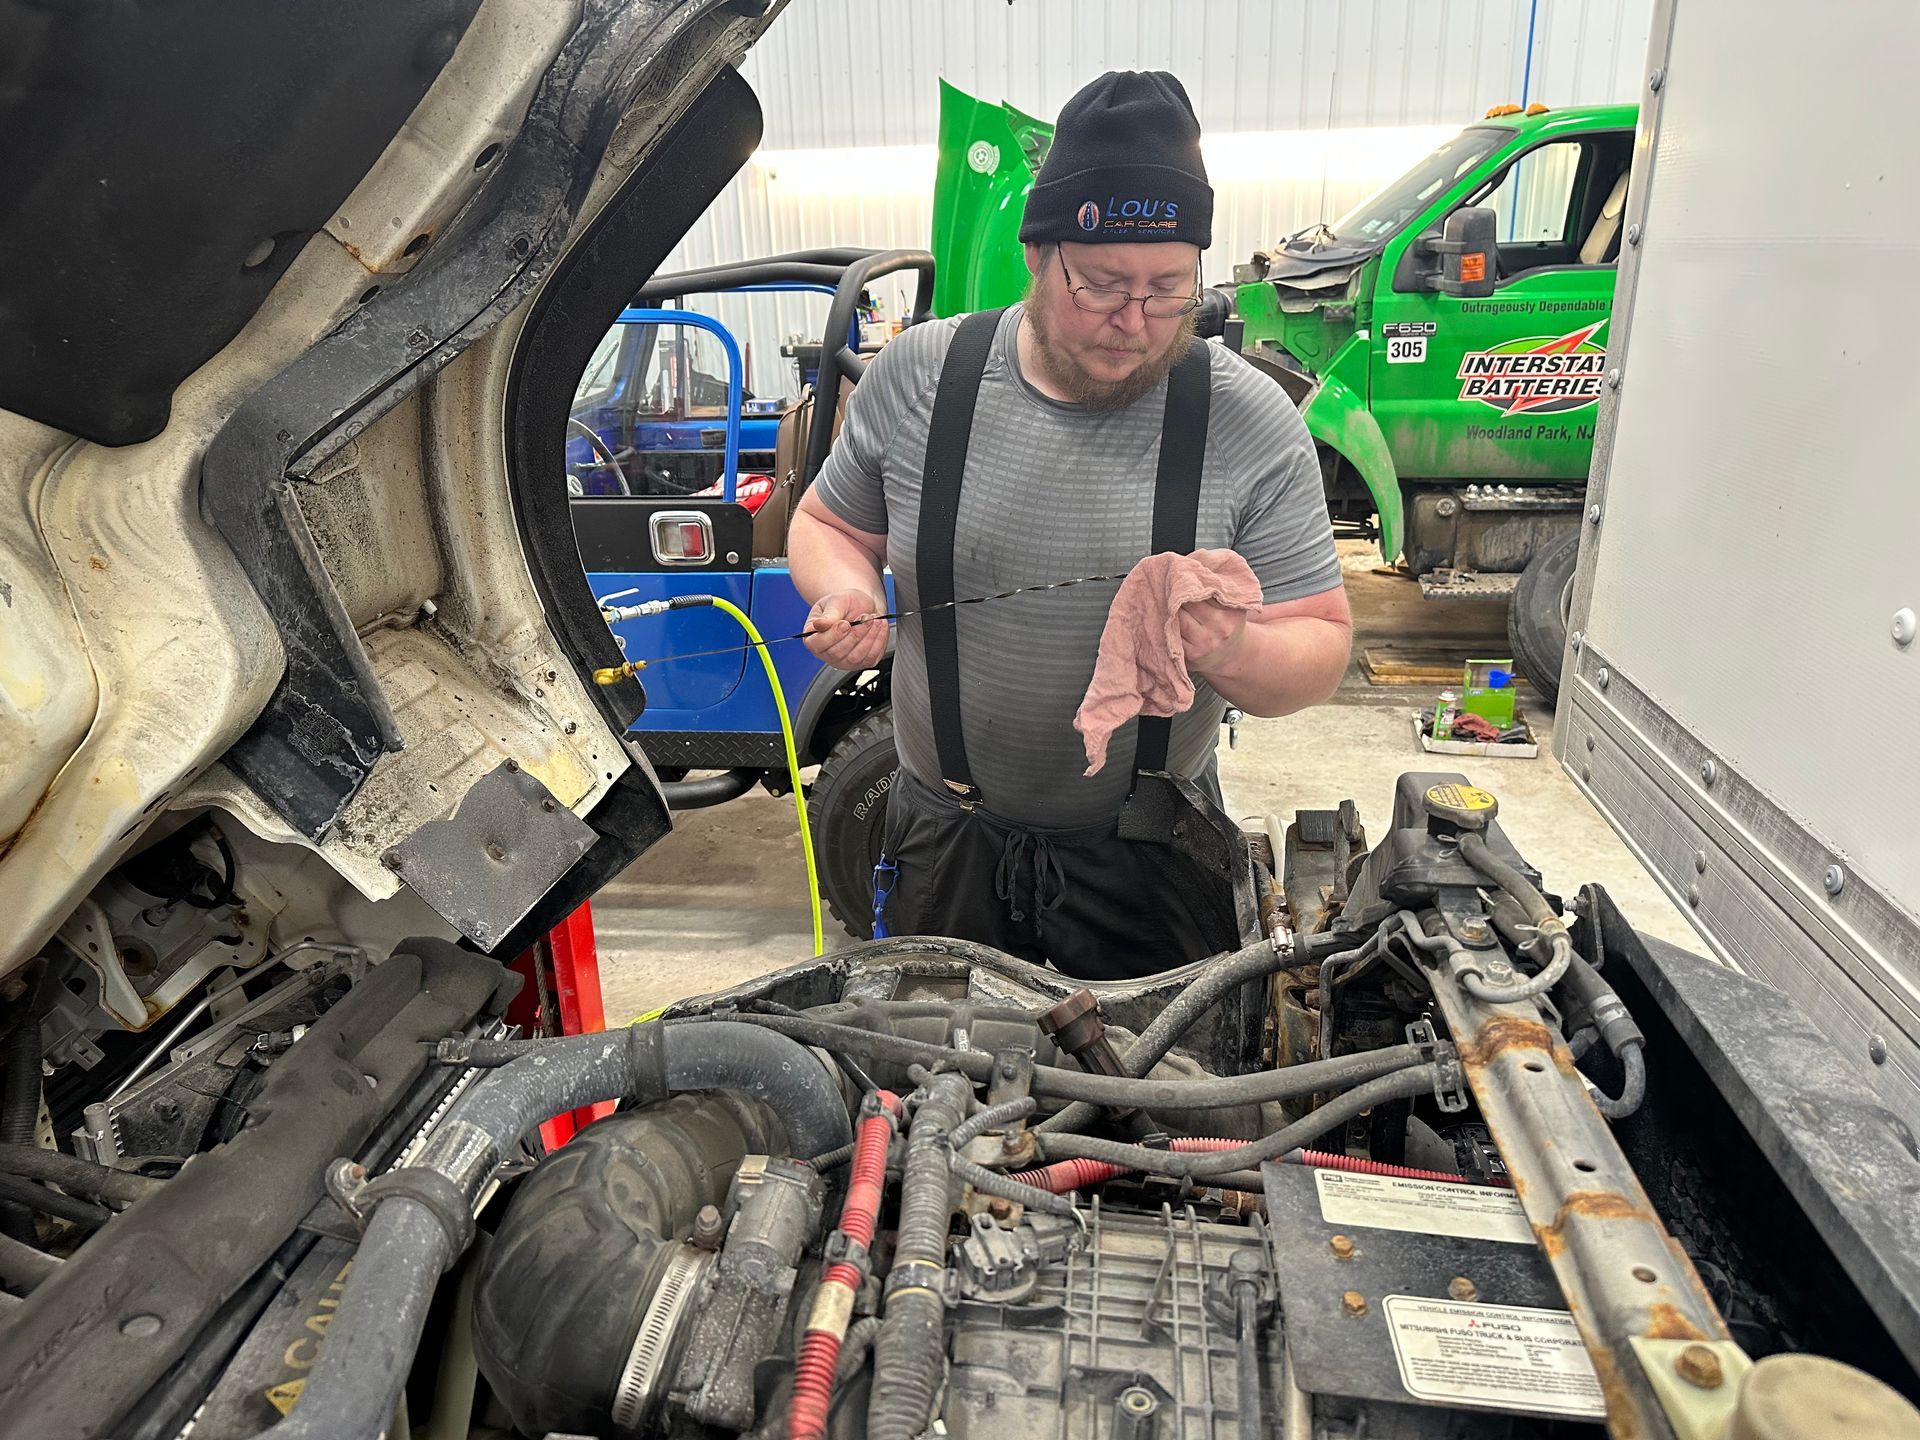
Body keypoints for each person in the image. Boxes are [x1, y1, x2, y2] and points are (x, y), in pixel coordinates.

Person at [789, 70, 1351, 979]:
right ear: (1037, 254)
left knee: (1151, 1108)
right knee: (938, 1096)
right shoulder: (923, 376)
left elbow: (1321, 642)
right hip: (947, 842)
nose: (1134, 321)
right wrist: (847, 587)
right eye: (1100, 285)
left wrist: (1230, 650)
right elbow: (828, 524)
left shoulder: (1248, 419)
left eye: (1168, 289)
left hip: (1150, 861)